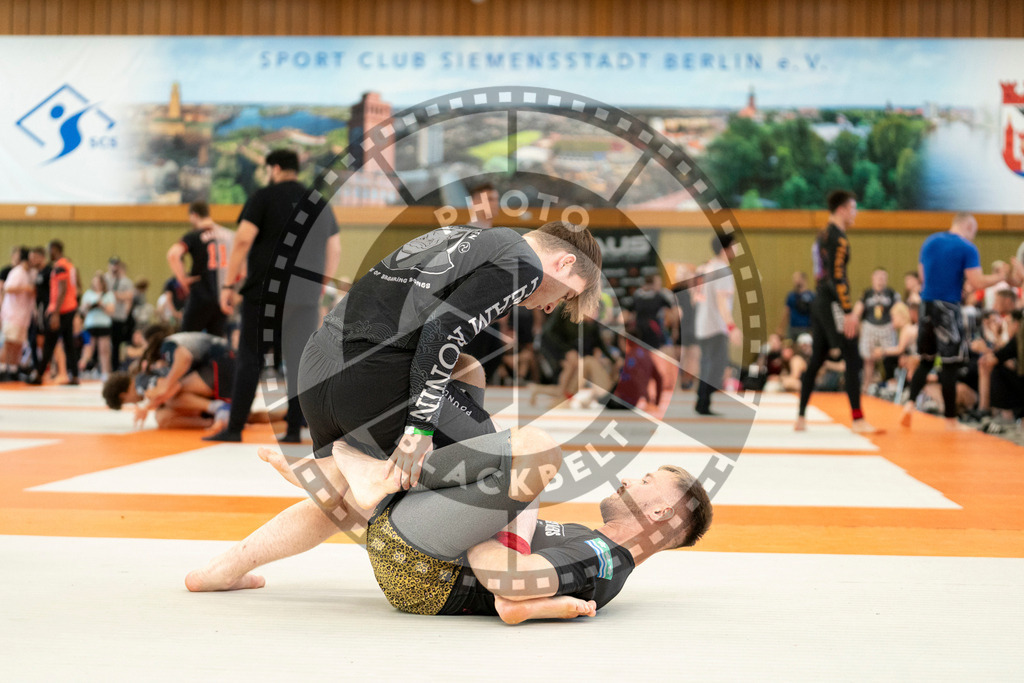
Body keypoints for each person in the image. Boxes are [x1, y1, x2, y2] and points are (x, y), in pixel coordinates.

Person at [186, 432, 713, 623]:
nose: (628, 479)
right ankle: (222, 569)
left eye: (646, 480)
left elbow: (510, 581)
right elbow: (515, 584)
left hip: (429, 578)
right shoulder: (591, 545)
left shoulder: (602, 558)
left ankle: (366, 468)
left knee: (539, 451)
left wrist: (517, 514)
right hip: (422, 564)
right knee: (468, 377)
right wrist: (511, 517)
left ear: (663, 513)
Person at [296, 220, 603, 492]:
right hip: (368, 384)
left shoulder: (464, 233)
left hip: (314, 372)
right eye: (566, 295)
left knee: (468, 368)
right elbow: (442, 332)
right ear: (564, 263)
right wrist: (419, 429)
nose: (551, 307)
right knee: (506, 469)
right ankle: (370, 474)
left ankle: (349, 471)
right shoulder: (527, 265)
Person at [206, 149, 341, 443]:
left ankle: (234, 428)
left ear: (275, 168)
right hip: (305, 297)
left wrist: (228, 286)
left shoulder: (262, 198)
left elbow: (242, 240)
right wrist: (318, 287)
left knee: (251, 359)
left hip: (265, 293)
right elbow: (335, 249)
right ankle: (294, 430)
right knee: (298, 362)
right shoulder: (319, 202)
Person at [901, 213, 1011, 429]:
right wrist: (1001, 277)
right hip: (947, 309)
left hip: (926, 306)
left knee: (926, 360)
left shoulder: (930, 241)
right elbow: (977, 281)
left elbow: (923, 276)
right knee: (950, 364)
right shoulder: (967, 248)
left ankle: (909, 404)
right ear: (969, 226)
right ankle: (950, 418)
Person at [795, 190, 878, 433]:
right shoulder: (837, 237)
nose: (855, 213)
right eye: (853, 208)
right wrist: (849, 310)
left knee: (817, 359)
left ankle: (800, 417)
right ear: (841, 209)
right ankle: (858, 418)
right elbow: (837, 277)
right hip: (832, 302)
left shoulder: (822, 234)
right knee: (853, 356)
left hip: (821, 301)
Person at [166, 200, 234, 337]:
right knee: (217, 342)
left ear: (194, 215)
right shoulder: (229, 235)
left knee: (187, 340)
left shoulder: (194, 235)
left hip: (201, 293)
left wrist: (183, 280)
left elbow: (173, 255)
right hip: (224, 295)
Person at [693, 233, 739, 416]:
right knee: (717, 366)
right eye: (734, 245)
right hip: (715, 325)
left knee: (708, 364)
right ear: (724, 249)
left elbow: (696, 297)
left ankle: (702, 401)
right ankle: (703, 399)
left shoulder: (706, 267)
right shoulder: (722, 270)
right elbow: (721, 301)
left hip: (702, 324)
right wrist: (731, 326)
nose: (736, 249)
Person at [30, 240, 79, 386]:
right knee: (69, 343)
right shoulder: (69, 265)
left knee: (49, 343)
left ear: (54, 250)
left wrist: (55, 313)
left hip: (62, 310)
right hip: (70, 307)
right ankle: (75, 375)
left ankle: (39, 374)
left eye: (49, 250)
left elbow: (62, 289)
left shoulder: (60, 267)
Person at [859, 268, 900, 391]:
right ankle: (867, 384)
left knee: (889, 355)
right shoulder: (867, 293)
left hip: (886, 327)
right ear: (873, 278)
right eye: (878, 277)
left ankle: (889, 383)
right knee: (868, 357)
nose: (880, 280)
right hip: (870, 326)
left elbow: (898, 309)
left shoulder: (891, 293)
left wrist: (895, 322)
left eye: (883, 277)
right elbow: (858, 310)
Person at [0, 247, 34, 380]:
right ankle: (2, 369)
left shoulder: (28, 273)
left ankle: (13, 369)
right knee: (8, 343)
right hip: (12, 313)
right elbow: (7, 288)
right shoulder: (17, 272)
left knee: (18, 344)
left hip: (23, 315)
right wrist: (25, 288)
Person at [77, 271, 116, 379]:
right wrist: (89, 305)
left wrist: (101, 304)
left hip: (103, 324)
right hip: (91, 324)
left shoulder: (108, 294)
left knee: (104, 350)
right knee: (88, 349)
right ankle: (83, 370)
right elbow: (82, 310)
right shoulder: (88, 294)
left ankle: (105, 372)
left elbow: (112, 310)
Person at [104, 257, 135, 371]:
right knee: (105, 344)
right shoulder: (105, 279)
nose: (114, 268)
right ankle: (104, 368)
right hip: (106, 317)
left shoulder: (126, 281)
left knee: (116, 344)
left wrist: (114, 295)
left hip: (119, 316)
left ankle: (115, 368)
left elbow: (129, 296)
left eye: (116, 265)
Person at [780, 271, 814, 341]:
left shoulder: (811, 296)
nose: (795, 281)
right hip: (793, 328)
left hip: (806, 328)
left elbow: (815, 314)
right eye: (794, 278)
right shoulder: (791, 296)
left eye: (796, 278)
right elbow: (786, 312)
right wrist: (781, 328)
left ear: (803, 279)